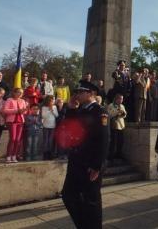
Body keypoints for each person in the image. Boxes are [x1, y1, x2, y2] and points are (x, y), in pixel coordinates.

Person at [61, 80, 109, 229]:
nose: (77, 95)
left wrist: (97, 166)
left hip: (90, 164)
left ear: (91, 94)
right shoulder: (80, 110)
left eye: (81, 92)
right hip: (76, 160)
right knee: (68, 196)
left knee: (91, 200)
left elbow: (104, 140)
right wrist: (70, 109)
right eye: (77, 92)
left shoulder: (100, 112)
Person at [3, 88, 28, 163]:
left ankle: (14, 155)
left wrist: (24, 110)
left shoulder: (22, 101)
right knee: (13, 139)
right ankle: (8, 156)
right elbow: (5, 110)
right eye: (18, 92)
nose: (20, 94)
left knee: (18, 140)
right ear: (14, 93)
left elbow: (25, 112)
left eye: (21, 93)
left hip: (20, 121)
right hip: (11, 121)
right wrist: (17, 110)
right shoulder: (9, 100)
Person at [107, 93, 127, 160]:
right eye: (120, 99)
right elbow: (110, 114)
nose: (121, 100)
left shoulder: (122, 106)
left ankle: (119, 154)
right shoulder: (111, 105)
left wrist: (123, 113)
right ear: (116, 99)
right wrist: (117, 112)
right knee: (113, 141)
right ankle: (111, 155)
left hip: (121, 126)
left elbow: (125, 115)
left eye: (122, 99)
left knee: (121, 141)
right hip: (114, 125)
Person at [41, 95, 58, 160]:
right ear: (48, 101)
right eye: (52, 100)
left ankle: (50, 153)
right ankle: (45, 154)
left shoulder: (54, 107)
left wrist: (52, 110)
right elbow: (43, 116)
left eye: (53, 100)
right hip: (46, 126)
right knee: (46, 140)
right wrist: (49, 110)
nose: (53, 101)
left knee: (50, 140)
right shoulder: (44, 107)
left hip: (52, 126)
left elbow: (56, 115)